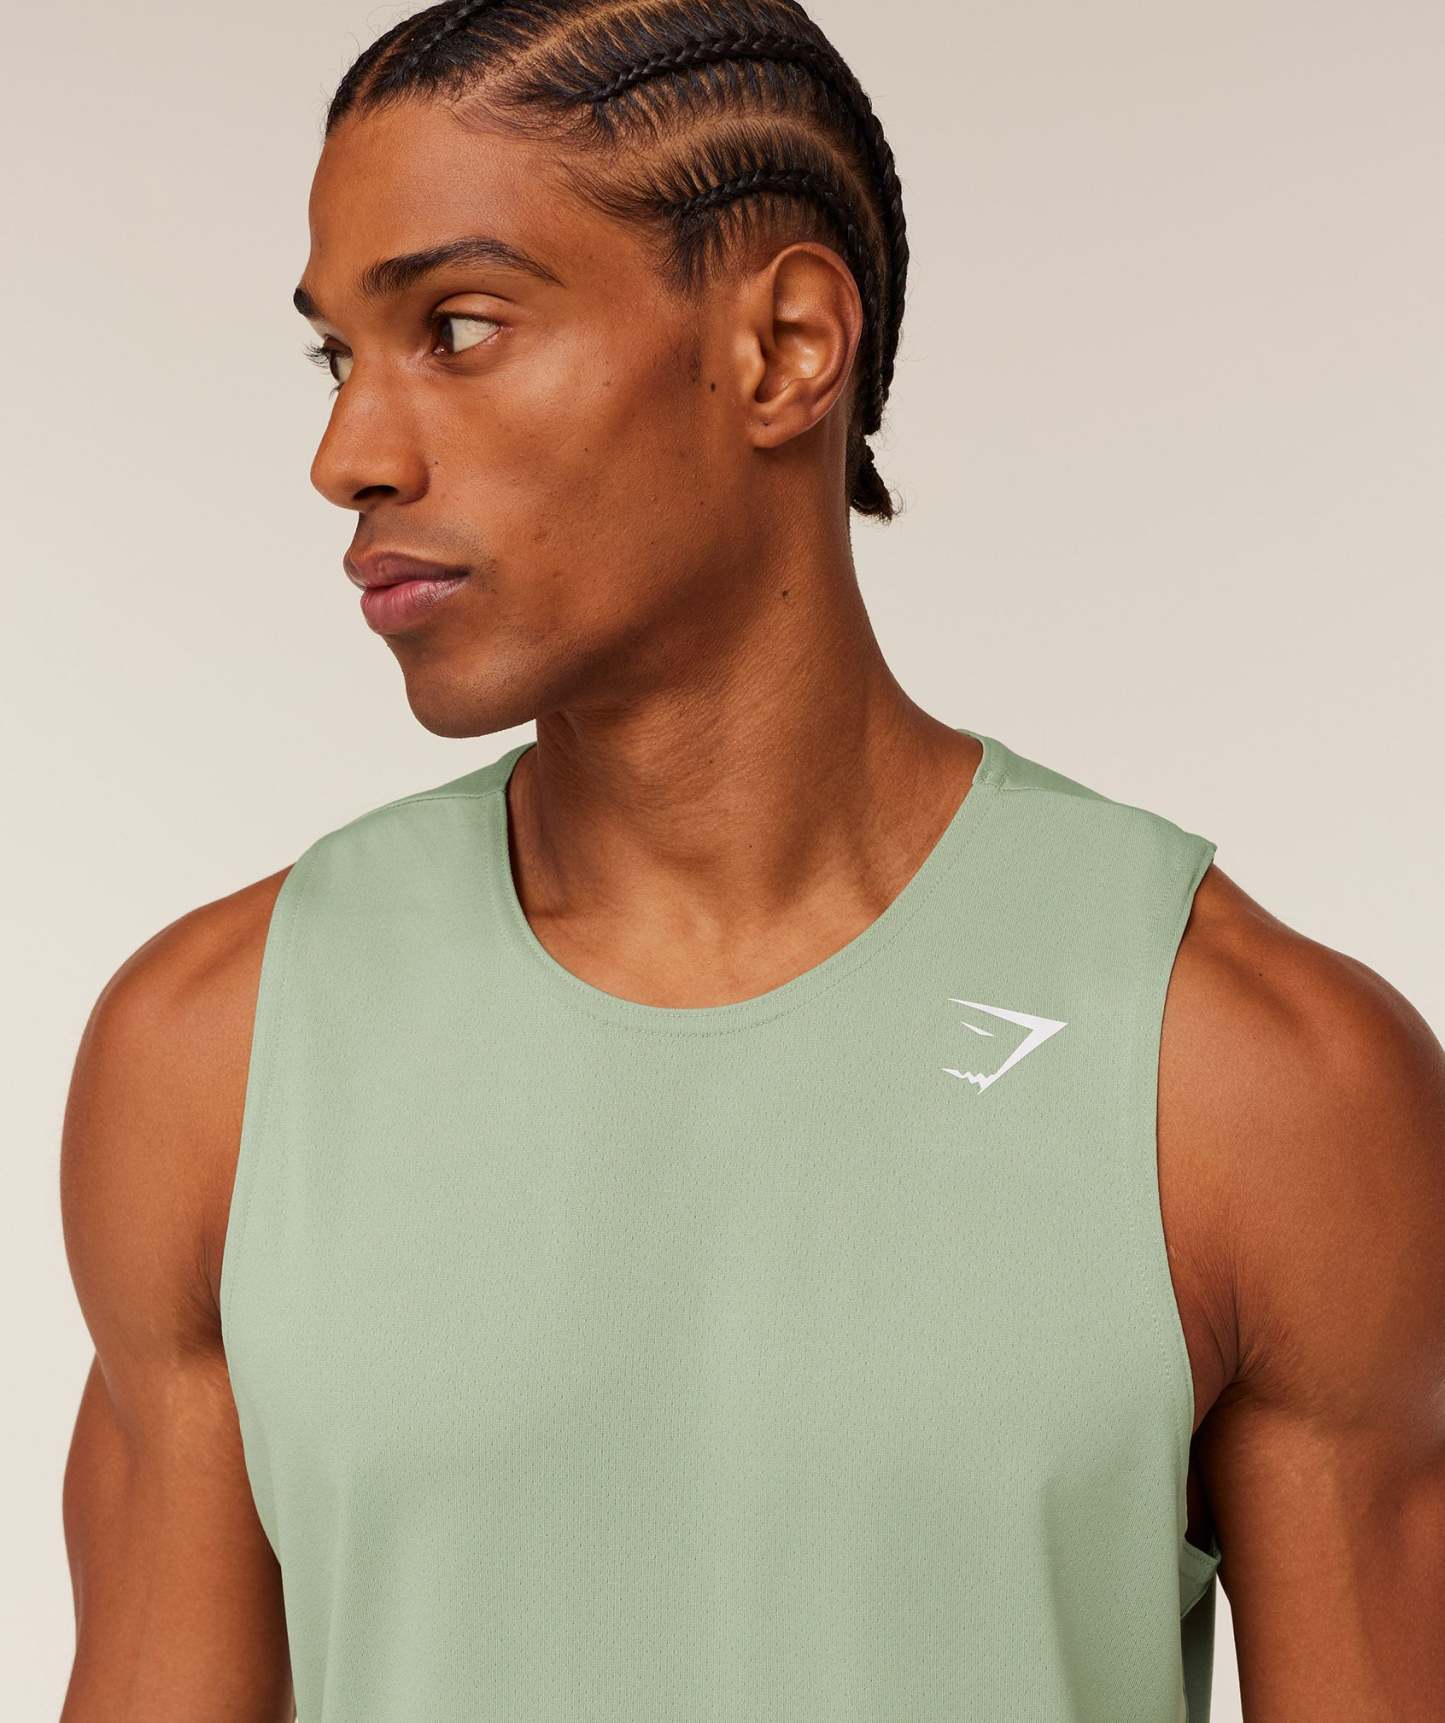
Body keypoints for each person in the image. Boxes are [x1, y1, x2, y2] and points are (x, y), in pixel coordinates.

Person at [57, 3, 1444, 1719]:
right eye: (337, 355)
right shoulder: (209, 1059)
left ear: (784, 348)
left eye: (457, 328)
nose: (350, 454)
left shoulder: (1249, 1078)